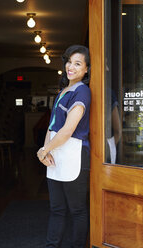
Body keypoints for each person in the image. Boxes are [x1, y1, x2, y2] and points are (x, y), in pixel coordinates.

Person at [37, 44, 91, 248]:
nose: (71, 66)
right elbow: (52, 126)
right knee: (57, 209)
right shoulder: (63, 91)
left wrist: (44, 150)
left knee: (77, 210)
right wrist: (44, 152)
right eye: (69, 61)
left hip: (74, 155)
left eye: (78, 63)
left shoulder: (82, 91)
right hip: (55, 155)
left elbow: (68, 130)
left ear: (86, 69)